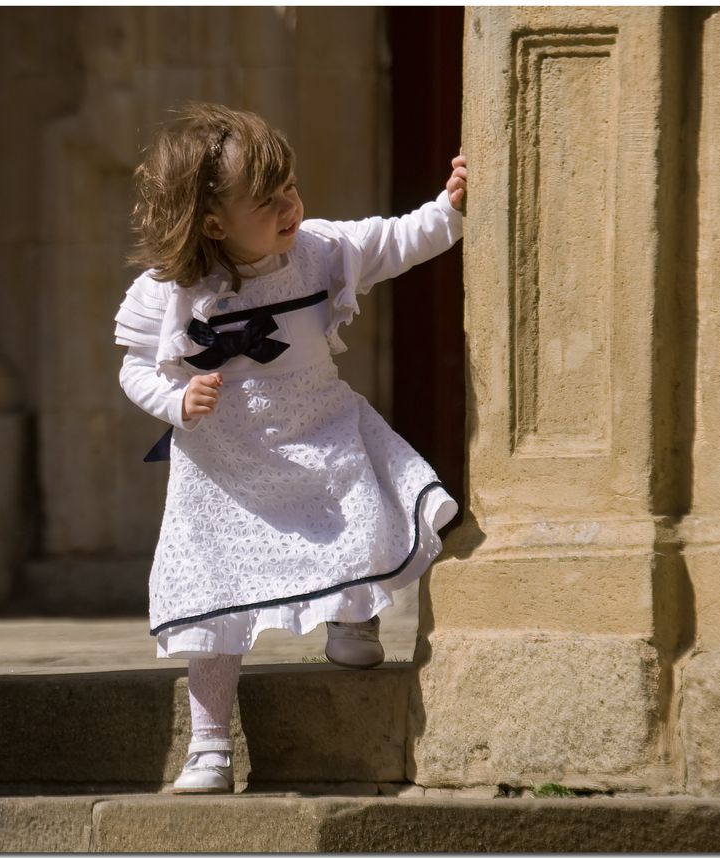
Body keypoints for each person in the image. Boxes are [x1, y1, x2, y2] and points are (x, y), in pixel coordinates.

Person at [114, 103, 467, 793]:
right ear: (214, 223)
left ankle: (353, 618)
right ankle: (209, 745)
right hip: (223, 461)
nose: (291, 206)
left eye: (293, 188)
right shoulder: (169, 294)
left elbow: (396, 241)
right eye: (269, 200)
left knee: (355, 507)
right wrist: (175, 401)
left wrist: (449, 209)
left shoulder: (319, 251)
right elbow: (132, 368)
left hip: (314, 421)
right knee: (213, 596)